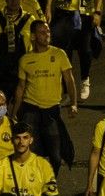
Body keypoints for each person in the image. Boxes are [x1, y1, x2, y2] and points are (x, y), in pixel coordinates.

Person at [11, 19, 78, 174]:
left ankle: (51, 181)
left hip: (51, 111)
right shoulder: (25, 60)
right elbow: (21, 87)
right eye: (42, 32)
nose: (46, 34)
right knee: (30, 151)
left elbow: (69, 79)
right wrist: (14, 113)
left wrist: (73, 103)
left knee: (55, 155)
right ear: (33, 36)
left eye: (47, 31)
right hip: (30, 109)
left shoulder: (59, 54)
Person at [46, 0, 103, 101]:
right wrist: (48, 8)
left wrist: (98, 12)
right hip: (64, 12)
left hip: (85, 14)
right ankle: (64, 87)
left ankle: (85, 79)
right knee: (65, 51)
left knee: (85, 49)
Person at [0, 121, 59, 196]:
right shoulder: (0, 165)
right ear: (12, 140)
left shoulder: (43, 165)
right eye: (17, 138)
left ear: (31, 140)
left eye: (25, 137)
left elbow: (52, 194)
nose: (21, 142)